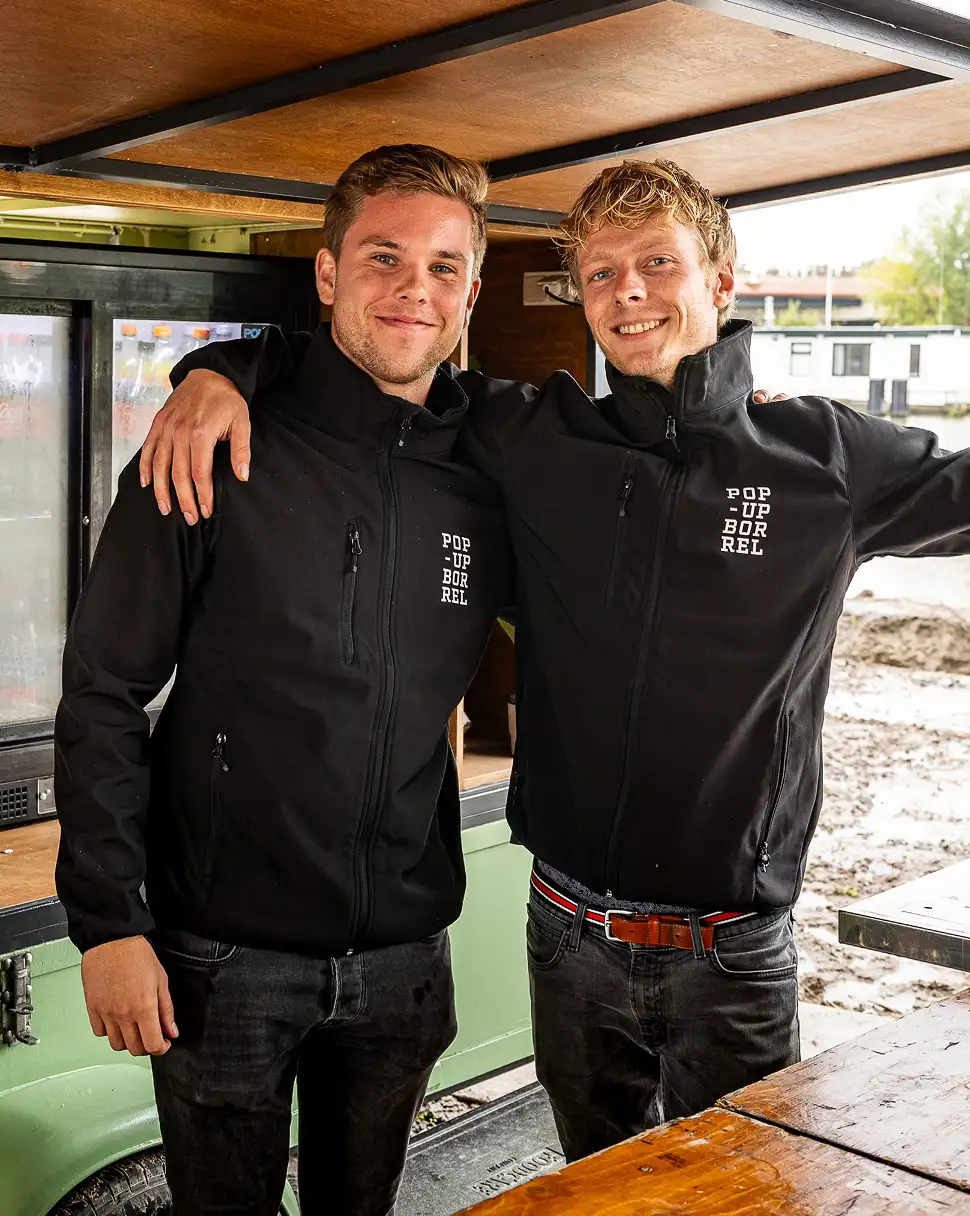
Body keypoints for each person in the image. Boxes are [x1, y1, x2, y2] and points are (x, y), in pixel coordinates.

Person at [148, 158, 945, 1166]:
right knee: (589, 1190)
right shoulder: (533, 432)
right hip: (568, 940)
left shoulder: (824, 456)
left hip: (734, 952)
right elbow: (381, 362)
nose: (629, 292)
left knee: (749, 1197)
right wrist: (221, 370)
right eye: (602, 273)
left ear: (723, 281)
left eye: (658, 262)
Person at [53, 145, 517, 1216]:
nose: (414, 289)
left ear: (473, 291)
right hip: (221, 951)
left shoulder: (490, 462)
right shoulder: (209, 446)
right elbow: (101, 690)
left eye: (445, 267)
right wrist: (109, 924)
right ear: (324, 274)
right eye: (384, 257)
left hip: (403, 949)